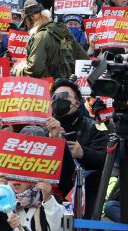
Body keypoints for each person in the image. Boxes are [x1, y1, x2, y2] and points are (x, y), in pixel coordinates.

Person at [46, 79, 108, 218]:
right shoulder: (44, 127)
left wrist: (83, 153)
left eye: (64, 96)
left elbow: (107, 160)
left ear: (77, 103)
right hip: (52, 190)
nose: (58, 100)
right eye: (54, 97)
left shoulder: (94, 126)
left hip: (86, 191)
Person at [13, 0, 88, 79]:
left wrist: (18, 71)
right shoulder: (64, 31)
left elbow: (35, 70)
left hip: (49, 86)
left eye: (26, 22)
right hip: (67, 85)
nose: (26, 26)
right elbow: (84, 59)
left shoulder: (40, 37)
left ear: (33, 17)